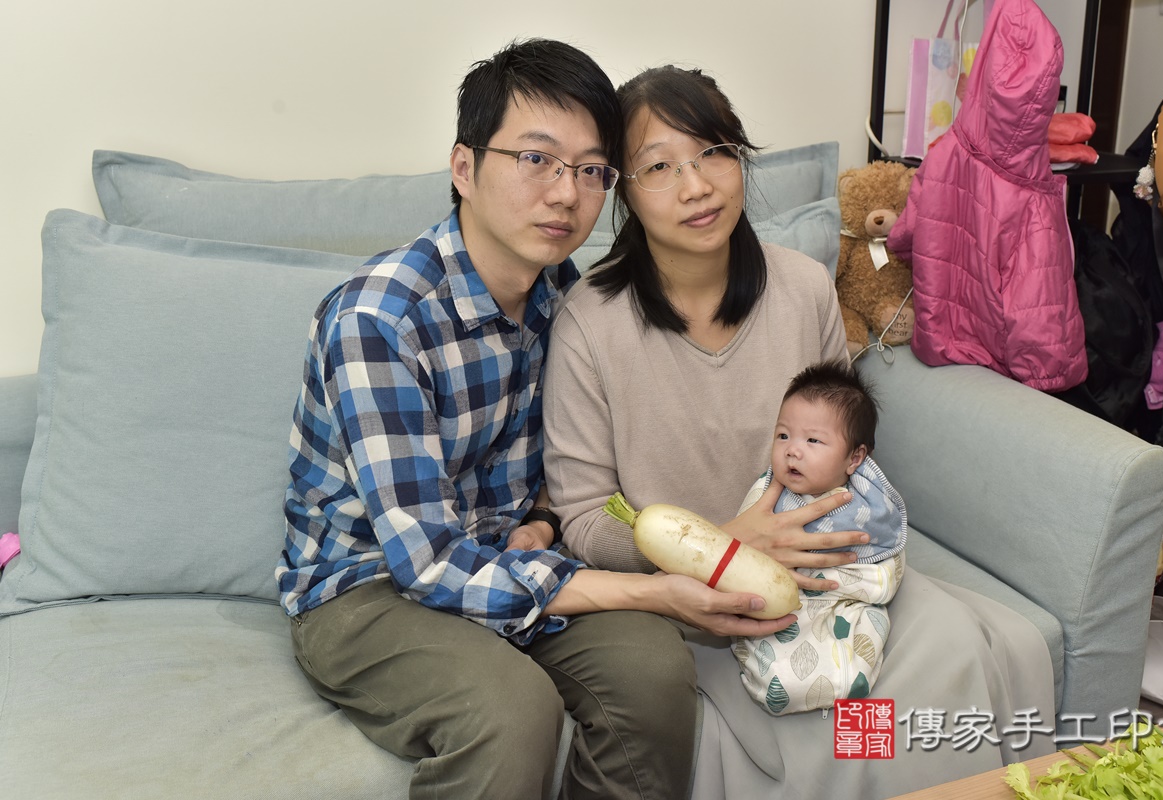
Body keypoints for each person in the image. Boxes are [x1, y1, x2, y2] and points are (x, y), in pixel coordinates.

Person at [276, 41, 795, 800]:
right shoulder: (380, 321)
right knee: (511, 712)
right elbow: (426, 563)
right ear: (464, 168)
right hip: (369, 589)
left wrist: (547, 522)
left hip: (509, 560)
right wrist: (649, 591)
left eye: (590, 170)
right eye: (536, 160)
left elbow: (565, 464)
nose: (565, 193)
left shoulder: (561, 294)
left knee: (653, 670)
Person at [543, 64, 1056, 799]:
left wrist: (841, 545)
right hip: (699, 602)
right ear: (624, 189)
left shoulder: (803, 286)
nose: (696, 186)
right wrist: (725, 547)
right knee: (821, 720)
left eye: (714, 152)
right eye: (659, 166)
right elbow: (587, 519)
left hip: (829, 579)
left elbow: (841, 442)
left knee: (957, 651)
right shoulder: (588, 323)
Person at [732, 359, 907, 716]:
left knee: (862, 647)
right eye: (783, 435)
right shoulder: (769, 494)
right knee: (781, 674)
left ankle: (846, 682)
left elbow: (885, 564)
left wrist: (854, 584)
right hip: (788, 602)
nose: (792, 450)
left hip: (847, 603)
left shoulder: (865, 504)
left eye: (813, 440)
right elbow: (743, 552)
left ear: (854, 458)